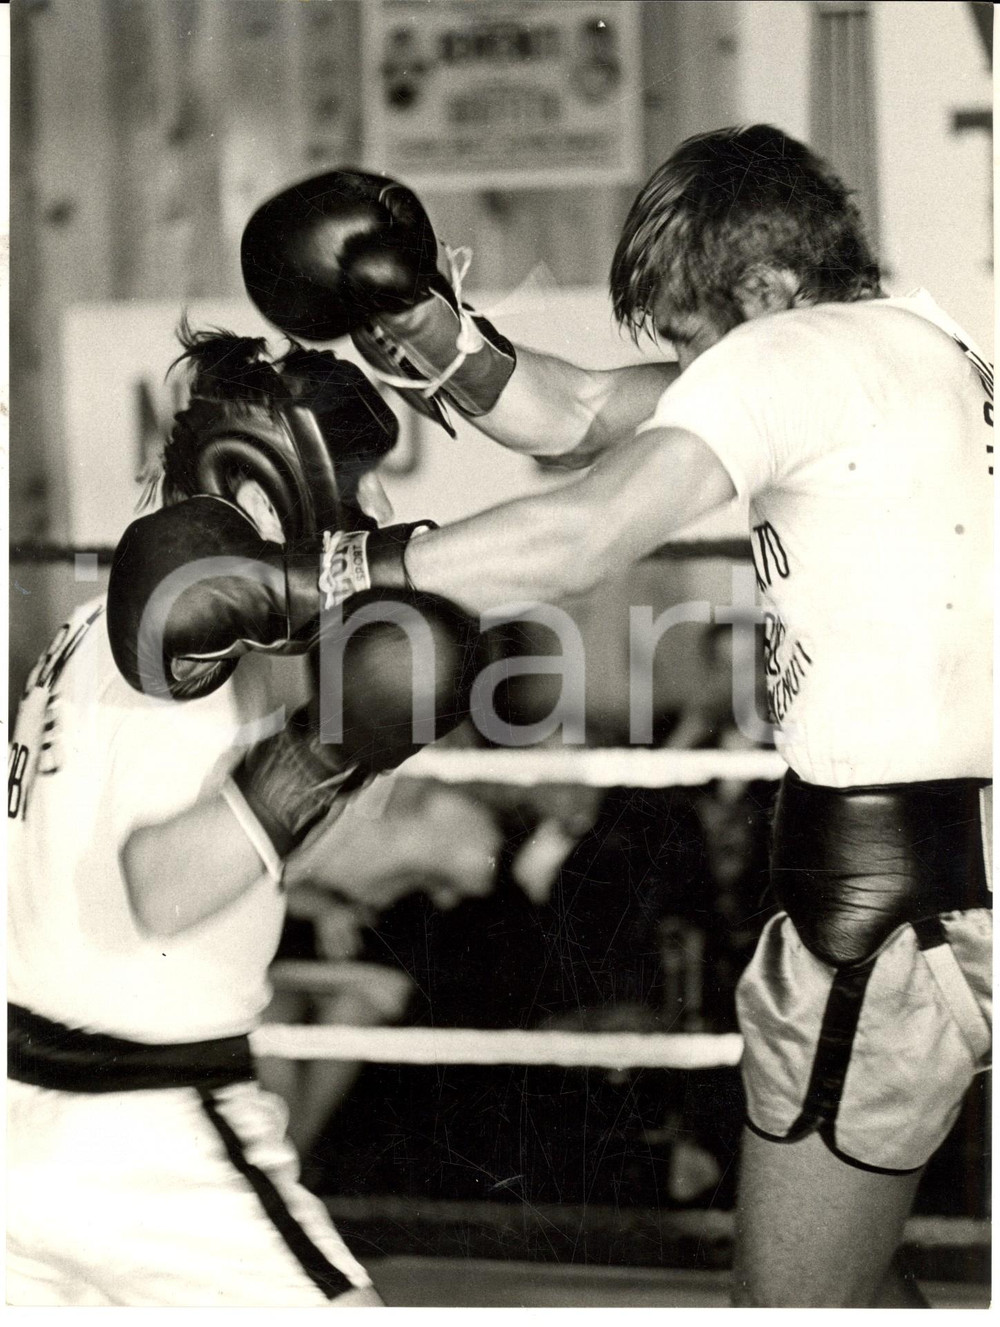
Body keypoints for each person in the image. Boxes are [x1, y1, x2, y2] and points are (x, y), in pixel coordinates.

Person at [110, 124, 992, 1307]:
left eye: (692, 336)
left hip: (895, 902)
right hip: (947, 872)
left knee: (792, 1305)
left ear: (771, 287)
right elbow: (576, 411)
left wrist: (310, 579)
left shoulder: (797, 356)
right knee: (856, 1275)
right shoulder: (909, 348)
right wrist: (430, 327)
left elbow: (581, 534)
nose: (690, 368)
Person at [6, 326, 483, 1306]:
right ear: (270, 491)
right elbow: (165, 888)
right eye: (355, 487)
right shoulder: (189, 656)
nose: (367, 515)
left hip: (29, 1108)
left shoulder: (95, 627)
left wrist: (362, 763)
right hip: (147, 1131)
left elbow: (242, 859)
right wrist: (331, 751)